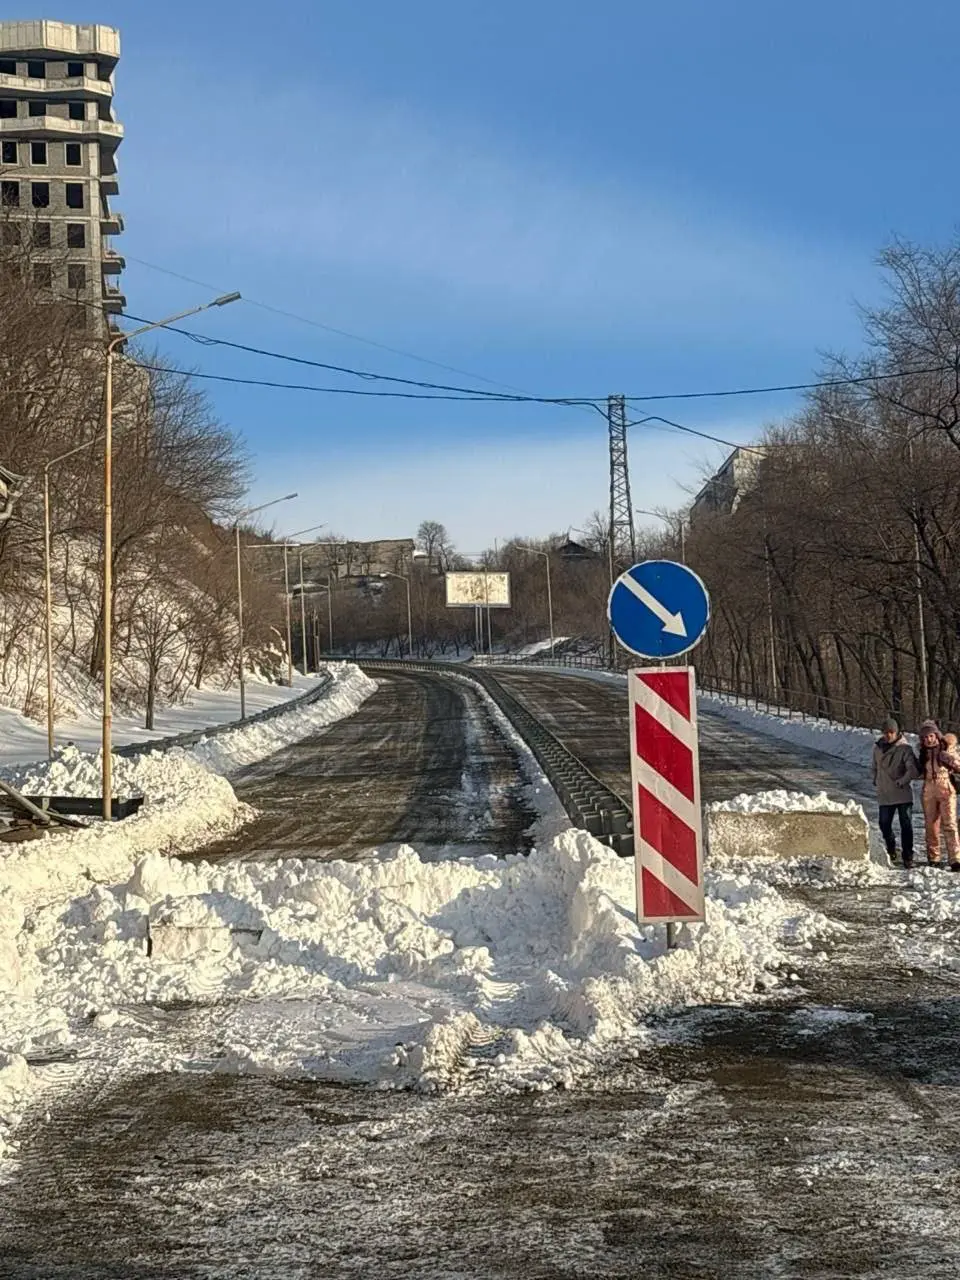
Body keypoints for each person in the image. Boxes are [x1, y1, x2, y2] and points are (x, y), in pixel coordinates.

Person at [871, 717, 919, 868]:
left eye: (891, 732)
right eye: (886, 732)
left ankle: (908, 855)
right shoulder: (877, 748)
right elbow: (874, 766)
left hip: (902, 792)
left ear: (897, 732)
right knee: (884, 823)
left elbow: (911, 769)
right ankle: (891, 847)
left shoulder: (904, 748)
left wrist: (902, 781)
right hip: (884, 792)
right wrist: (875, 779)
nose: (889, 735)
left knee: (906, 824)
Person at [917, 720, 960, 869]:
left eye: (930, 736)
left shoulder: (946, 749)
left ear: (936, 735)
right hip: (929, 788)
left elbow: (958, 765)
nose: (928, 740)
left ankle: (955, 858)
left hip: (946, 787)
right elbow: (918, 770)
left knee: (950, 824)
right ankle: (934, 857)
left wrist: (950, 758)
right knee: (931, 825)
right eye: (925, 737)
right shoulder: (923, 753)